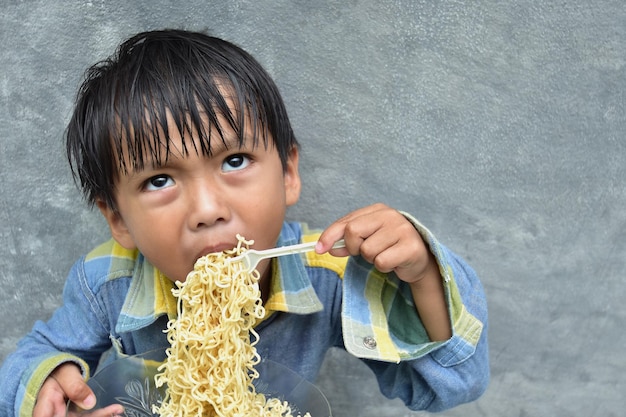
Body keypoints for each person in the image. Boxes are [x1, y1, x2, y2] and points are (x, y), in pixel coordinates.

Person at [0, 29, 489, 417]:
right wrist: (47, 382)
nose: (208, 208)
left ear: (289, 174)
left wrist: (422, 274)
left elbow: (453, 387)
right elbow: (35, 355)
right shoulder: (105, 281)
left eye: (234, 161)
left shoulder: (331, 270)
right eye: (160, 179)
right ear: (118, 219)